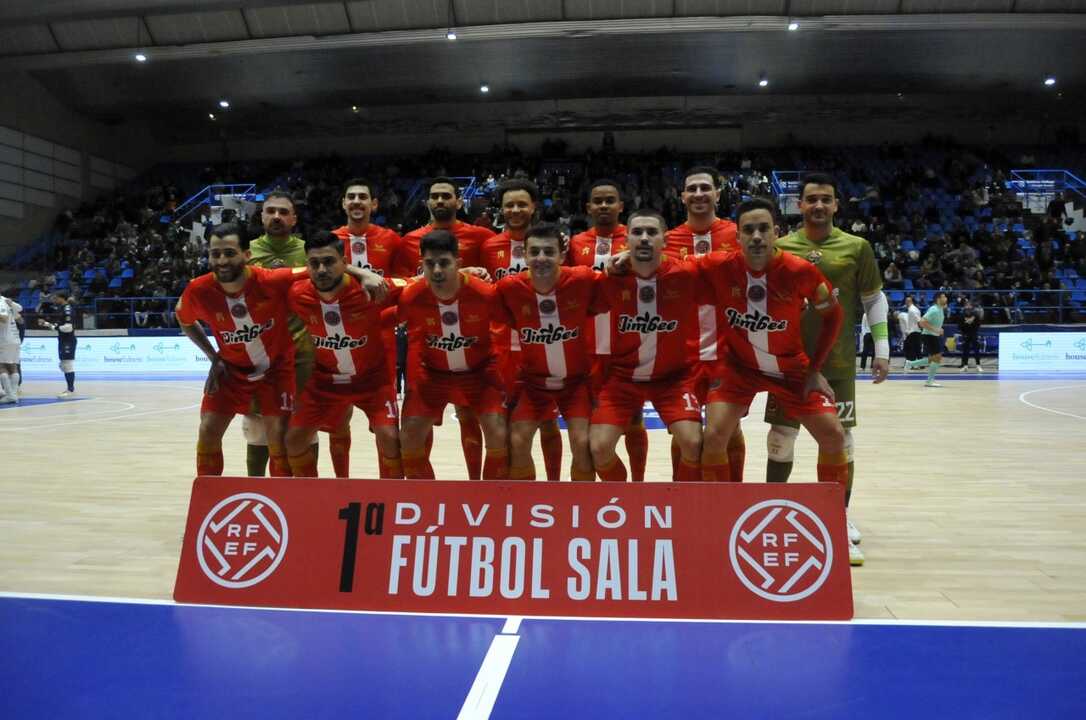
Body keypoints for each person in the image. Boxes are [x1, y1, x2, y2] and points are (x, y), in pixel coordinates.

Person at [177, 222, 384, 477]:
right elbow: (184, 319)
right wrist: (213, 357)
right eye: (215, 254)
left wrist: (362, 273)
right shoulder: (198, 290)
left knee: (279, 438)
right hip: (232, 372)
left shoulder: (271, 280)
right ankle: (209, 498)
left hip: (276, 372)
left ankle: (281, 498)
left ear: (247, 254)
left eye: (229, 253)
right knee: (208, 430)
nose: (222, 261)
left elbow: (319, 267)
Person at [695, 197, 849, 528]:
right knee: (714, 435)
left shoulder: (799, 271)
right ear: (737, 236)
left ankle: (835, 523)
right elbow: (670, 268)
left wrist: (814, 369)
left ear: (776, 232)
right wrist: (625, 260)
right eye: (748, 230)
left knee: (834, 435)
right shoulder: (718, 264)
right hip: (738, 368)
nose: (756, 236)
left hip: (791, 369)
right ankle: (717, 519)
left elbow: (834, 316)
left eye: (763, 228)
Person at [765, 173, 888, 566]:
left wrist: (882, 348)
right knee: (780, 438)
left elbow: (873, 299)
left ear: (836, 205)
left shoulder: (857, 247)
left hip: (838, 362)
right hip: (788, 363)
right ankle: (771, 513)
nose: (818, 205)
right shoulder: (780, 247)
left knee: (841, 440)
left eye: (826, 199)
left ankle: (838, 516)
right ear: (799, 205)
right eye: (811, 199)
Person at [591, 210, 703, 483]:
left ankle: (679, 498)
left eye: (651, 233)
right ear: (625, 239)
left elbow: (730, 263)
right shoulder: (607, 279)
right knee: (599, 449)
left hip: (673, 379)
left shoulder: (685, 273)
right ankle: (627, 498)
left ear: (665, 240)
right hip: (622, 379)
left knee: (693, 443)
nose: (643, 238)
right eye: (637, 233)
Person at [396, 178, 495, 480]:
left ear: (459, 201)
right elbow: (400, 285)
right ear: (427, 202)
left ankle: (475, 484)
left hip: (472, 334)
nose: (440, 201)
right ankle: (424, 491)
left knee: (470, 417)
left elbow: (494, 279)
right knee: (417, 425)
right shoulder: (408, 240)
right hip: (425, 341)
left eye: (446, 196)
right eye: (434, 196)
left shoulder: (482, 236)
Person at [285, 231, 405, 479]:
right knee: (294, 440)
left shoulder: (372, 289)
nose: (321, 270)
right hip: (323, 383)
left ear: (344, 262)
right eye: (314, 263)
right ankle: (310, 495)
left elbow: (419, 282)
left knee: (390, 438)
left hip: (373, 381)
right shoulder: (295, 293)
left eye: (329, 262)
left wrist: (464, 272)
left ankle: (390, 496)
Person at [496, 223, 598, 481]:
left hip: (576, 383)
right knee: (518, 441)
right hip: (533, 384)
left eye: (549, 252)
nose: (541, 258)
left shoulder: (583, 278)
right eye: (534, 252)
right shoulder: (509, 287)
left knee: (583, 443)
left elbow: (620, 281)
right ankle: (527, 501)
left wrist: (625, 260)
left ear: (562, 256)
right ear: (524, 255)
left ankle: (580, 502)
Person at [480, 179, 565, 482]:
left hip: (544, 343)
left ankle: (553, 485)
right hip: (501, 348)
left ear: (533, 207)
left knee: (549, 423)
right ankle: (509, 492)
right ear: (501, 209)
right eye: (509, 205)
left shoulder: (550, 244)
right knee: (506, 427)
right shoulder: (488, 246)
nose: (515, 210)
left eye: (521, 204)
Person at [665, 166, 744, 482]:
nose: (698, 194)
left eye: (705, 188)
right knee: (683, 432)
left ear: (717, 194)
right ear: (682, 196)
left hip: (729, 352)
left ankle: (732, 497)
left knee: (729, 429)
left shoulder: (738, 234)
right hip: (682, 354)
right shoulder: (666, 240)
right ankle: (682, 499)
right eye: (692, 189)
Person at [568, 179, 649, 482]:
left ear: (621, 206)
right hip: (587, 344)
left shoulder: (637, 239)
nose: (603, 205)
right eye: (598, 201)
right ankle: (597, 492)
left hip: (628, 340)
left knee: (635, 418)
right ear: (588, 207)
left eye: (609, 200)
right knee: (589, 425)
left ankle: (637, 485)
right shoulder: (574, 243)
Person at [244, 191, 328, 477]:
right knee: (258, 429)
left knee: (305, 425)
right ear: (262, 216)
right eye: (271, 211)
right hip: (259, 353)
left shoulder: (309, 252)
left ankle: (306, 489)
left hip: (302, 351)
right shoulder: (245, 252)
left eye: (283, 212)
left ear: (294, 218)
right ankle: (257, 490)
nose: (276, 216)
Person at [332, 178, 403, 464]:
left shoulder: (391, 240)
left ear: (374, 204)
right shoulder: (331, 240)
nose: (357, 201)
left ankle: (389, 486)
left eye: (363, 196)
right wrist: (360, 273)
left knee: (385, 427)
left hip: (381, 338)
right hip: (337, 337)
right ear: (343, 204)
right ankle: (341, 483)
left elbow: (402, 284)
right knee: (339, 419)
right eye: (351, 197)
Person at [37, 290, 78, 398]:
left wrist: (54, 327)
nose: (54, 300)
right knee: (64, 365)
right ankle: (70, 388)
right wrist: (46, 324)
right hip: (63, 339)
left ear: (62, 298)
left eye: (56, 298)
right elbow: (59, 325)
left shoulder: (67, 309)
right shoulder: (61, 309)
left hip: (68, 340)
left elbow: (68, 328)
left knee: (67, 364)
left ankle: (70, 390)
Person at [905, 291, 949, 387]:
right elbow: (922, 322)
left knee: (935, 358)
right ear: (938, 299)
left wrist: (938, 329)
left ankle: (910, 363)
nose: (946, 298)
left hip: (932, 335)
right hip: (929, 335)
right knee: (937, 357)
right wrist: (936, 329)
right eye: (943, 297)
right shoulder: (934, 309)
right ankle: (929, 381)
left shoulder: (940, 309)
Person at [0, 292, 22, 405]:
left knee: (1, 366)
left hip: (5, 339)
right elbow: (20, 311)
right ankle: (13, 394)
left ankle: (9, 395)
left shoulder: (1, 302)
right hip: (15, 338)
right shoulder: (7, 301)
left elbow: (3, 318)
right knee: (13, 366)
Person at [958, 297, 984, 372]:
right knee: (965, 350)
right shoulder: (962, 315)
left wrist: (972, 325)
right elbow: (960, 326)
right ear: (964, 307)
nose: (968, 307)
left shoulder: (976, 315)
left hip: (974, 334)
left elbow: (978, 324)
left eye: (969, 305)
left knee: (976, 350)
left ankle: (978, 365)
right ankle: (965, 366)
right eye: (966, 305)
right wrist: (965, 329)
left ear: (972, 307)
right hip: (966, 334)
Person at [902, 295, 923, 370]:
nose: (905, 302)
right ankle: (919, 364)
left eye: (906, 301)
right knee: (916, 349)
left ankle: (913, 364)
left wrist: (921, 328)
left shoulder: (912, 310)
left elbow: (919, 320)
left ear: (909, 301)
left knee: (911, 349)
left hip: (914, 332)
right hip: (914, 332)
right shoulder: (913, 309)